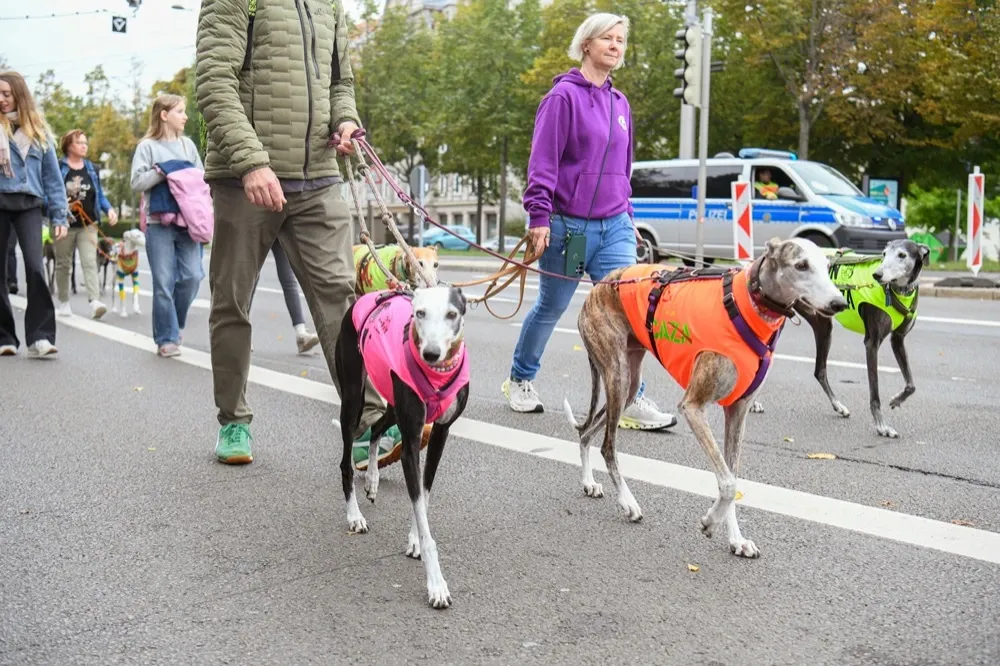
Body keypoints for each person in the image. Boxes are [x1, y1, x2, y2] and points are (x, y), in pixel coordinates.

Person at [197, 0, 425, 466]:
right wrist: (250, 162)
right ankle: (234, 421)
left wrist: (345, 121)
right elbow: (214, 81)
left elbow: (340, 83)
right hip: (247, 178)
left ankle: (366, 422)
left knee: (342, 299)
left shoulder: (329, 3)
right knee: (232, 302)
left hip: (318, 178)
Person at [501, 13, 677, 431]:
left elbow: (624, 168)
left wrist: (628, 215)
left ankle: (630, 396)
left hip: (614, 225)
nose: (615, 45)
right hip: (568, 227)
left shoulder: (621, 103)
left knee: (630, 310)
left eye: (621, 40)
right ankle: (520, 379)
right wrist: (539, 216)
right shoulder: (562, 98)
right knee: (552, 305)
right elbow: (543, 162)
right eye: (607, 38)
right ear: (586, 44)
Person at [130, 93, 205, 358]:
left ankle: (177, 324)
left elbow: (201, 179)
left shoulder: (188, 146)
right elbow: (136, 183)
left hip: (188, 221)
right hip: (158, 223)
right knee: (163, 282)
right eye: (180, 111)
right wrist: (163, 171)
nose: (185, 116)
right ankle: (166, 338)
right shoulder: (147, 147)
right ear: (164, 115)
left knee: (192, 277)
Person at [0, 71, 68, 358]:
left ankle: (40, 336)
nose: (1, 99)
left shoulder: (39, 132)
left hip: (29, 205)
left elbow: (53, 178)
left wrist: (60, 216)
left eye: (6, 94)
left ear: (19, 95)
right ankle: (4, 337)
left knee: (35, 267)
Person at [55, 129, 118, 319]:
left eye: (85, 143)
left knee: (90, 261)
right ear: (69, 146)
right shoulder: (58, 167)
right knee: (63, 264)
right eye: (79, 142)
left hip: (88, 224)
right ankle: (64, 302)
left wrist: (109, 209)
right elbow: (50, 192)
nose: (84, 146)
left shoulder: (92, 169)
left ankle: (95, 301)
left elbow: (99, 195)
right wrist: (60, 206)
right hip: (64, 223)